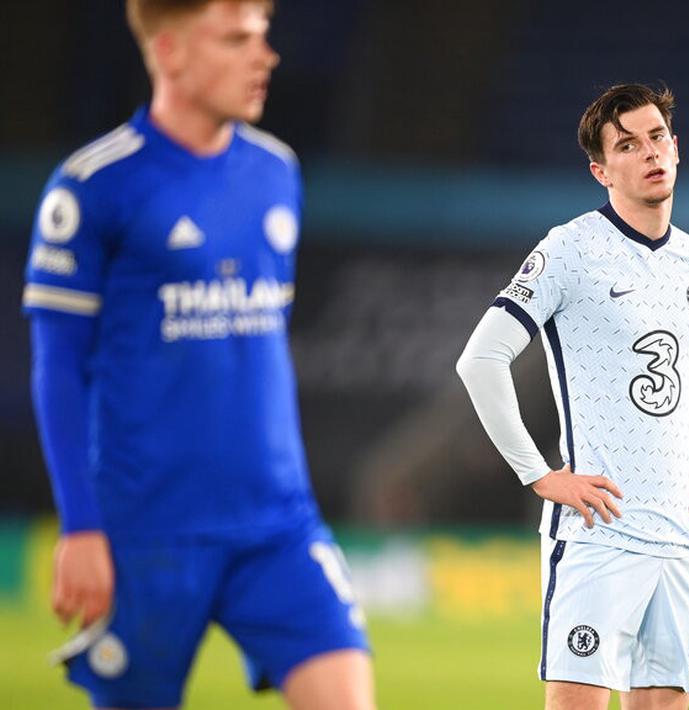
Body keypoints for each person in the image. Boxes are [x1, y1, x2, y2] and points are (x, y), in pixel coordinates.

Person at [22, 1, 374, 707]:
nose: (265, 55)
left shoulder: (278, 172)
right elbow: (57, 367)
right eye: (238, 38)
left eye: (265, 36)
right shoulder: (92, 187)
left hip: (277, 522)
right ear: (173, 53)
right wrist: (81, 526)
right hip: (146, 535)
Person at [456, 83, 689, 710]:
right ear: (600, 169)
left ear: (677, 148)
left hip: (678, 536)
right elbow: (480, 359)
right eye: (627, 145)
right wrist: (539, 475)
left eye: (658, 137)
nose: (649, 153)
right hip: (599, 534)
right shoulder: (571, 248)